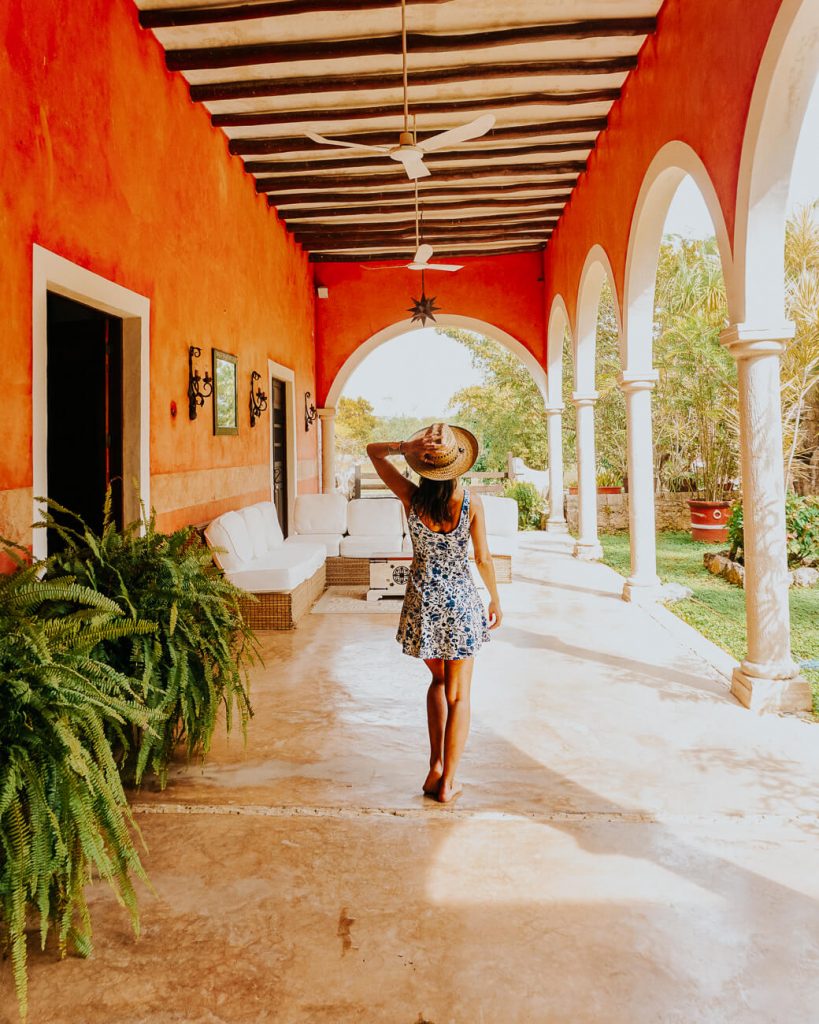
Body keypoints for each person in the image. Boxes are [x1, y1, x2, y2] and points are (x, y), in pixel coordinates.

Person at [367, 423, 502, 803]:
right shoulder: (472, 503)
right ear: (458, 464)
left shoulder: (411, 497)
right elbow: (483, 558)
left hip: (422, 605)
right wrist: (495, 599)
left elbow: (373, 451)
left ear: (422, 467)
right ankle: (449, 783)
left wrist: (405, 446)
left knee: (438, 683)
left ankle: (435, 767)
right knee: (459, 695)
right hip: (459, 605)